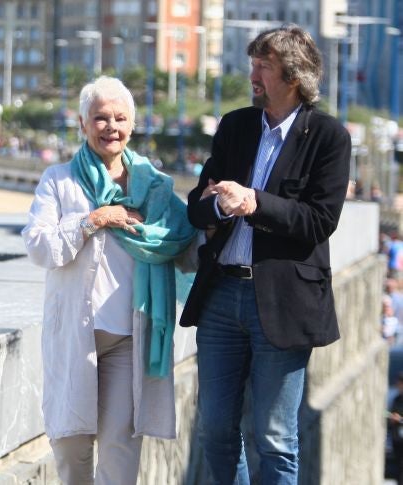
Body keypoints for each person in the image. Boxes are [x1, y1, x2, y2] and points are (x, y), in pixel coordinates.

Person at [180, 24, 351, 484]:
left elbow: (320, 221)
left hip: (283, 302)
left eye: (263, 67)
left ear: (293, 76)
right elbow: (199, 206)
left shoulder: (329, 137)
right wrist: (217, 203)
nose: (252, 75)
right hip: (220, 298)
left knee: (275, 437)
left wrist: (253, 202)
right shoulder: (235, 125)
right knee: (214, 429)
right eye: (253, 64)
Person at [22, 75, 198, 484]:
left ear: (132, 127)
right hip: (75, 335)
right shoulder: (59, 180)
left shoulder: (153, 188)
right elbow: (38, 245)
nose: (111, 127)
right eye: (100, 118)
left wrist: (222, 215)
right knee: (71, 446)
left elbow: (184, 240)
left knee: (120, 448)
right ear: (83, 125)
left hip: (128, 337)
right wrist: (93, 220)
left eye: (120, 118)